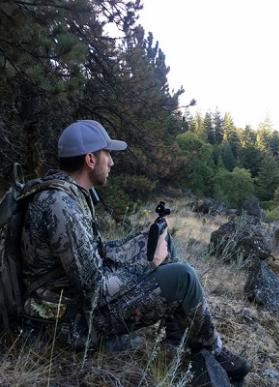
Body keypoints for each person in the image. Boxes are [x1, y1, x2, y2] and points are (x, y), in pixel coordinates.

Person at [19, 120, 250, 382]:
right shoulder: (63, 207)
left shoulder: (63, 193)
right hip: (67, 325)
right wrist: (150, 264)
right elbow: (95, 291)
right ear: (90, 160)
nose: (112, 162)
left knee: (157, 240)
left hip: (68, 302)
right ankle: (211, 349)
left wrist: (143, 243)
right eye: (108, 154)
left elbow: (88, 256)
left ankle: (175, 341)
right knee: (184, 277)